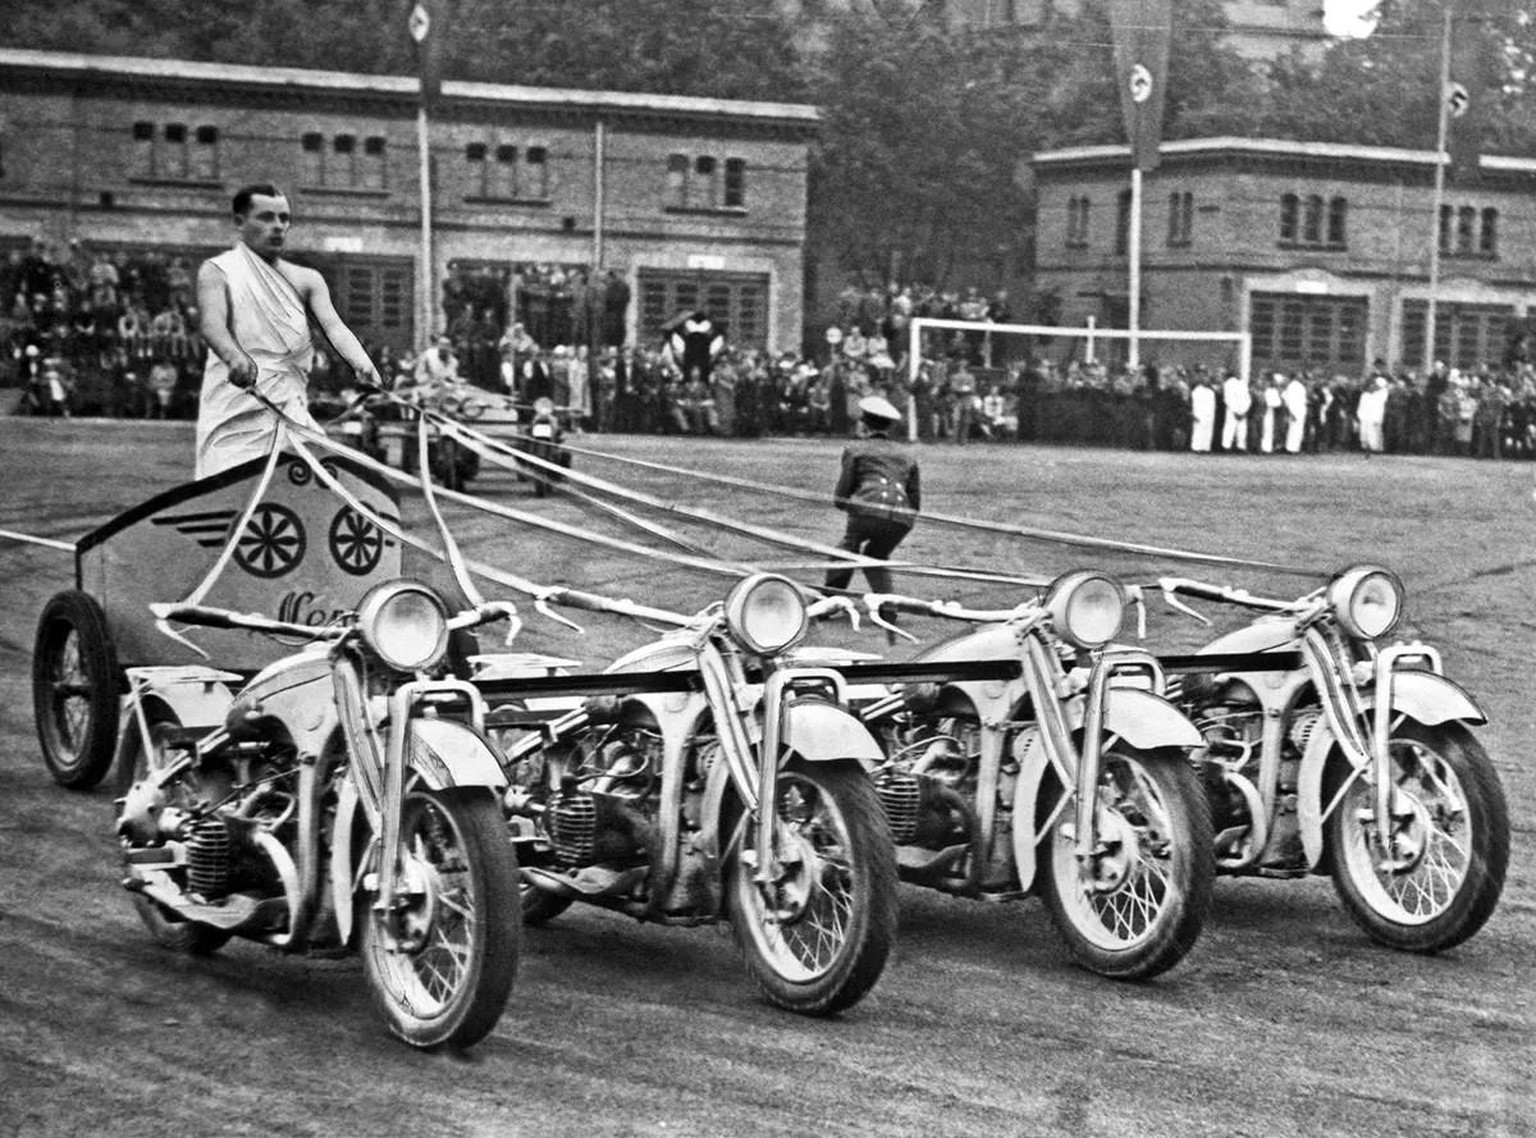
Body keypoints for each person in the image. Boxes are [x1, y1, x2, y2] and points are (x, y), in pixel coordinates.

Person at [195, 183, 380, 478]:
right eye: (266, 217)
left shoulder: (307, 279)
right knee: (230, 486)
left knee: (306, 481)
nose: (278, 226)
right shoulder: (217, 271)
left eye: (284, 218)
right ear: (240, 223)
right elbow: (212, 324)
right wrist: (234, 357)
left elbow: (333, 326)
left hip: (288, 400)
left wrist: (362, 362)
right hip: (236, 398)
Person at [822, 395, 921, 636]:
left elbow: (841, 496)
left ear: (864, 424)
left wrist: (855, 507)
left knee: (845, 551)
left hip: (867, 510)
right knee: (877, 555)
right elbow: (915, 500)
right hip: (902, 517)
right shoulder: (908, 455)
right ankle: (888, 606)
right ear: (889, 426)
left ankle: (827, 601)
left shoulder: (855, 449)